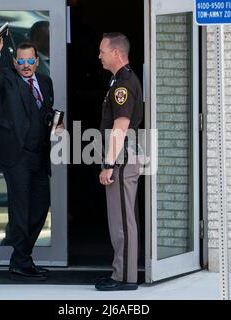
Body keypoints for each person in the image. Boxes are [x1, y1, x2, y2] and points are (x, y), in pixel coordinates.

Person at [0, 39, 60, 278]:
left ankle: (22, 256)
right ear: (14, 62)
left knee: (40, 205)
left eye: (30, 61)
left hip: (39, 155)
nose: (26, 65)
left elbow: (45, 111)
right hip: (15, 154)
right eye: (21, 61)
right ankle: (21, 260)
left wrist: (56, 125)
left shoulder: (46, 82)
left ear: (37, 62)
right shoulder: (7, 78)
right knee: (20, 207)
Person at [95, 32, 143, 291]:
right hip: (124, 156)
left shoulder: (123, 84)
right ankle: (122, 272)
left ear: (116, 53)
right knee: (122, 219)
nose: (99, 56)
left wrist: (109, 164)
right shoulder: (119, 80)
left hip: (122, 158)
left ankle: (124, 278)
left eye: (102, 51)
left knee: (122, 221)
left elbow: (120, 128)